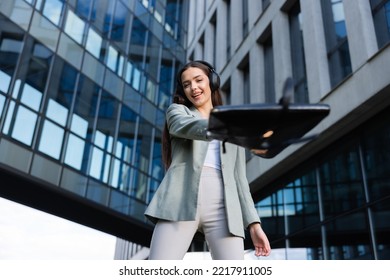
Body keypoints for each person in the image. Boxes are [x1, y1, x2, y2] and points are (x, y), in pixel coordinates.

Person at [145, 60, 271, 260]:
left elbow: (239, 179)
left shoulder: (232, 126)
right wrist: (228, 127)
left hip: (225, 208)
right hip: (180, 200)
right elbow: (184, 126)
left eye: (198, 80)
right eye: (187, 84)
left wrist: (254, 225)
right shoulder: (177, 112)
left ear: (212, 81)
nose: (193, 88)